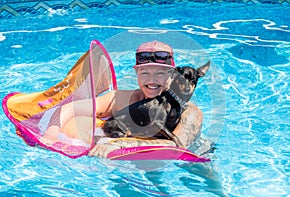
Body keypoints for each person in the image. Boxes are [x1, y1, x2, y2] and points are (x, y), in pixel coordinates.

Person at [45, 40, 203, 158]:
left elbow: (177, 146)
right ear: (136, 75)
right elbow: (70, 108)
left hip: (186, 160)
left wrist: (117, 145)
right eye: (144, 73)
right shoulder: (120, 99)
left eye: (160, 73)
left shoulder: (189, 113)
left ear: (172, 77)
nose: (151, 80)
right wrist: (50, 137)